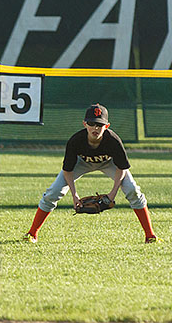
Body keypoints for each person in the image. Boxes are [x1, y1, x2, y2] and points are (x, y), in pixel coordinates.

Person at [26, 103, 157, 243]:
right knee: (53, 192)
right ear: (84, 124)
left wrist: (112, 194)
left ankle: (150, 235)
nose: (95, 128)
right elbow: (68, 170)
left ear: (107, 126)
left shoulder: (113, 140)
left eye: (100, 125)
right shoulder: (75, 141)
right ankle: (32, 233)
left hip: (109, 163)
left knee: (133, 191)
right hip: (81, 163)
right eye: (91, 123)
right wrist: (74, 195)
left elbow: (122, 167)